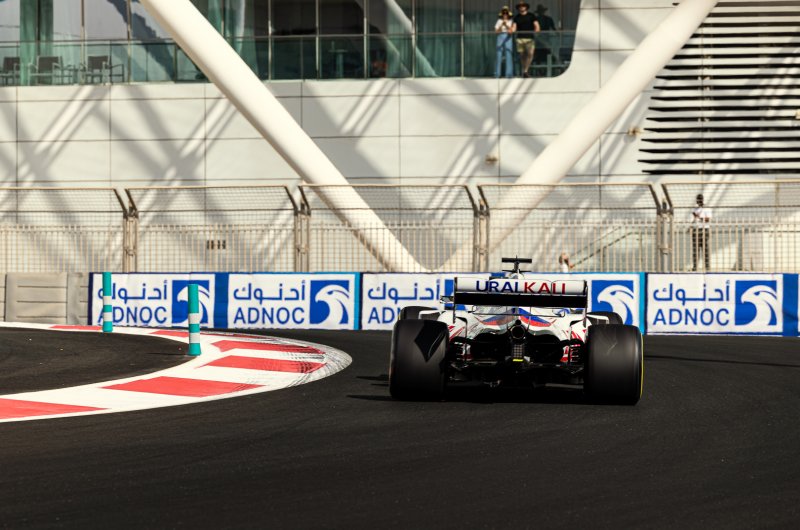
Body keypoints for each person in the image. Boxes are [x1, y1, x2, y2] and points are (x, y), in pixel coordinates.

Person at [513, 2, 540, 78]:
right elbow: (514, 27)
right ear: (518, 8)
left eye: (523, 6)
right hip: (520, 39)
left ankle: (525, 70)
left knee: (530, 54)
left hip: (529, 38)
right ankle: (524, 71)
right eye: (520, 6)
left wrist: (537, 30)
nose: (522, 7)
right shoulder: (516, 17)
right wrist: (511, 30)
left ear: (526, 7)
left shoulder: (531, 16)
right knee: (522, 55)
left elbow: (537, 25)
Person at [691, 193, 712, 271]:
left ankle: (707, 266)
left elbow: (708, 219)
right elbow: (693, 218)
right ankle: (695, 266)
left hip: (704, 229)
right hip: (696, 229)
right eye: (698, 199)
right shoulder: (695, 209)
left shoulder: (707, 208)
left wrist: (699, 217)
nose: (699, 201)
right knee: (695, 249)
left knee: (705, 249)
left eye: (700, 199)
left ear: (703, 200)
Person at [495, 6, 516, 78]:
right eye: (503, 13)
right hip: (500, 36)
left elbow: (511, 31)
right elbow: (496, 31)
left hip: (508, 36)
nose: (505, 14)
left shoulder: (511, 21)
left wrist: (506, 25)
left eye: (506, 13)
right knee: (499, 54)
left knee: (508, 53)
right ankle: (497, 74)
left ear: (508, 14)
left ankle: (509, 74)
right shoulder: (499, 21)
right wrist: (501, 25)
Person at [533, 4, 555, 69]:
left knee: (545, 55)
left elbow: (554, 29)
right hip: (539, 41)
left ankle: (545, 69)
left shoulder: (548, 19)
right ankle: (539, 70)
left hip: (544, 41)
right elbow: (554, 29)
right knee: (539, 56)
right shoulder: (535, 20)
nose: (541, 13)